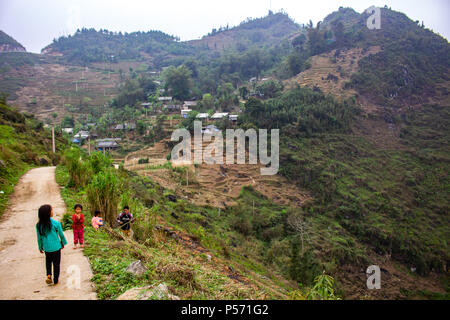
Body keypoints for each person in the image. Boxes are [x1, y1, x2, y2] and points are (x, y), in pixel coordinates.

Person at [36, 204, 67, 285]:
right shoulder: (56, 223)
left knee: (48, 261)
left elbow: (39, 238)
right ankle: (56, 279)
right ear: (48, 213)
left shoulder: (39, 225)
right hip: (56, 247)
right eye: (51, 210)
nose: (53, 211)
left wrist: (40, 247)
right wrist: (63, 242)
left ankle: (49, 275)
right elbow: (61, 234)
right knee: (56, 264)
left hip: (47, 248)